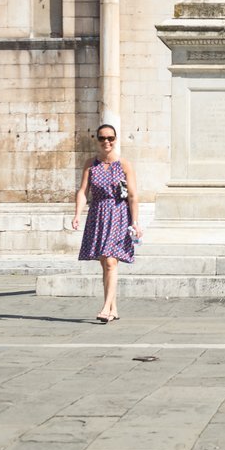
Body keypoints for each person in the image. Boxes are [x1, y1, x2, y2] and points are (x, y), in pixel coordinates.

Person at [72, 124, 142, 323]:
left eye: (110, 138)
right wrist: (77, 214)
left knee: (111, 261)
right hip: (98, 213)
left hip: (119, 214)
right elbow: (83, 191)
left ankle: (104, 308)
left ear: (116, 139)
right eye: (102, 138)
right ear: (97, 140)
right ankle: (113, 308)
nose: (106, 142)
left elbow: (133, 196)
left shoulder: (124, 164)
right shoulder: (90, 164)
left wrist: (135, 222)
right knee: (105, 262)